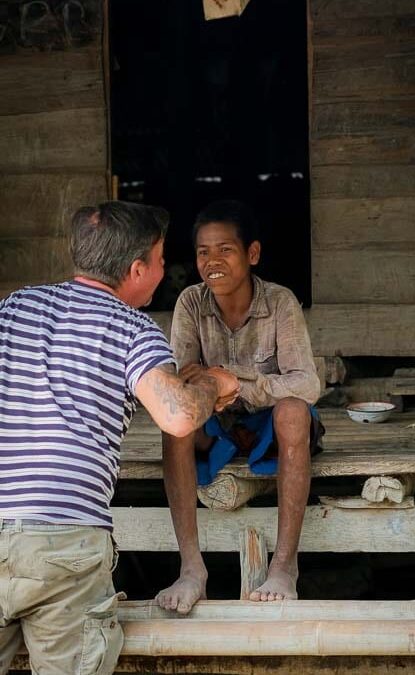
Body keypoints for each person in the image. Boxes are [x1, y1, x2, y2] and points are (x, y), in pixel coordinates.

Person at [0, 201, 239, 675]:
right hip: (63, 543)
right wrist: (215, 383)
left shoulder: (14, 306)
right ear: (136, 270)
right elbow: (178, 416)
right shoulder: (132, 328)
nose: (164, 268)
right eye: (160, 259)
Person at [158, 199, 323, 614]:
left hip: (273, 424)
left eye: (225, 250)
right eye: (202, 252)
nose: (212, 261)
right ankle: (192, 568)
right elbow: (180, 382)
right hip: (219, 425)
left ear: (252, 254)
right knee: (174, 422)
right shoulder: (191, 304)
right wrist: (212, 387)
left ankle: (285, 566)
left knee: (293, 410)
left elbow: (306, 383)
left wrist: (229, 380)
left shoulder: (280, 302)